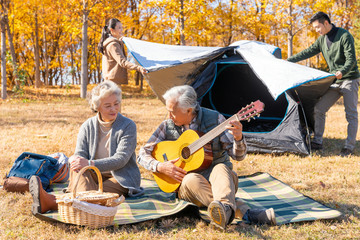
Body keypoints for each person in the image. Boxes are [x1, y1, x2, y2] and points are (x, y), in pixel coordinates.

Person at [137, 85, 276, 230]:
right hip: (190, 187)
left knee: (221, 168)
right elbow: (142, 155)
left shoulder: (215, 120)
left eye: (172, 112)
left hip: (222, 182)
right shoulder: (167, 125)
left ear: (189, 110)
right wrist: (160, 166)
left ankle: (225, 211)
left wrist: (239, 138)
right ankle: (243, 212)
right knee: (191, 179)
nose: (169, 116)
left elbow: (238, 156)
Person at [29, 80, 144, 215]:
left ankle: (53, 202)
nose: (113, 109)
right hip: (92, 174)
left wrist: (90, 163)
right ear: (97, 107)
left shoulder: (128, 126)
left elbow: (121, 159)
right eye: (108, 106)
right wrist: (77, 161)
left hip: (119, 177)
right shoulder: (87, 125)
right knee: (78, 169)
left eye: (116, 104)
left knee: (96, 194)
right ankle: (84, 202)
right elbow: (80, 153)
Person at [287, 11, 360, 157]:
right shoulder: (322, 40)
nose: (317, 30)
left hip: (349, 79)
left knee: (351, 114)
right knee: (319, 109)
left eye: (317, 27)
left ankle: (348, 147)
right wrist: (288, 61)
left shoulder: (344, 36)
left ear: (326, 23)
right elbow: (307, 52)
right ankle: (318, 141)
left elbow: (351, 59)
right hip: (335, 81)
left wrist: (342, 71)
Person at [98, 18, 147, 112]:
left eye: (122, 27)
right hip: (113, 83)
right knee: (115, 112)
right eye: (119, 28)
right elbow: (122, 62)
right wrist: (138, 68)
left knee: (112, 111)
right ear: (112, 30)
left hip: (111, 81)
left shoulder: (112, 43)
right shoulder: (112, 45)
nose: (121, 30)